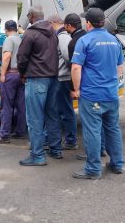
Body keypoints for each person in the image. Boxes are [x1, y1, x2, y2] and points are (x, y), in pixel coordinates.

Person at [70, 8, 125, 179]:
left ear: (88, 23)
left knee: (92, 131)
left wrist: (77, 89)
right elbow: (119, 68)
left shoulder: (85, 40)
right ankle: (117, 164)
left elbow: (76, 67)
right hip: (111, 94)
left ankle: (93, 169)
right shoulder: (114, 40)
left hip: (92, 94)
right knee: (113, 129)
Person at [16, 6, 62, 165]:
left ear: (32, 16)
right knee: (52, 115)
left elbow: (21, 57)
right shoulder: (53, 33)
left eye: (28, 16)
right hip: (53, 78)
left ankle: (37, 156)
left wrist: (22, 73)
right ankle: (56, 149)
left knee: (35, 118)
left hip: (37, 79)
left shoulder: (30, 33)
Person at [65, 13, 106, 161]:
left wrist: (74, 89)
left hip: (88, 89)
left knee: (90, 125)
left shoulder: (77, 42)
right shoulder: (108, 39)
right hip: (106, 88)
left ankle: (92, 156)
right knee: (101, 123)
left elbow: (74, 68)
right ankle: (102, 150)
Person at [0, 20, 26, 144]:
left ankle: (4, 135)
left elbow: (6, 57)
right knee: (21, 105)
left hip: (11, 75)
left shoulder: (8, 40)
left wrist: (3, 74)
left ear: (6, 30)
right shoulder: (21, 39)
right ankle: (20, 131)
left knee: (7, 106)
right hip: (20, 75)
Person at [48, 14, 77, 150]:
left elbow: (69, 58)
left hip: (63, 79)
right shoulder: (61, 37)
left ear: (53, 23)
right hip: (61, 78)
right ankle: (69, 139)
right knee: (62, 110)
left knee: (66, 111)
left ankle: (71, 141)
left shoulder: (63, 37)